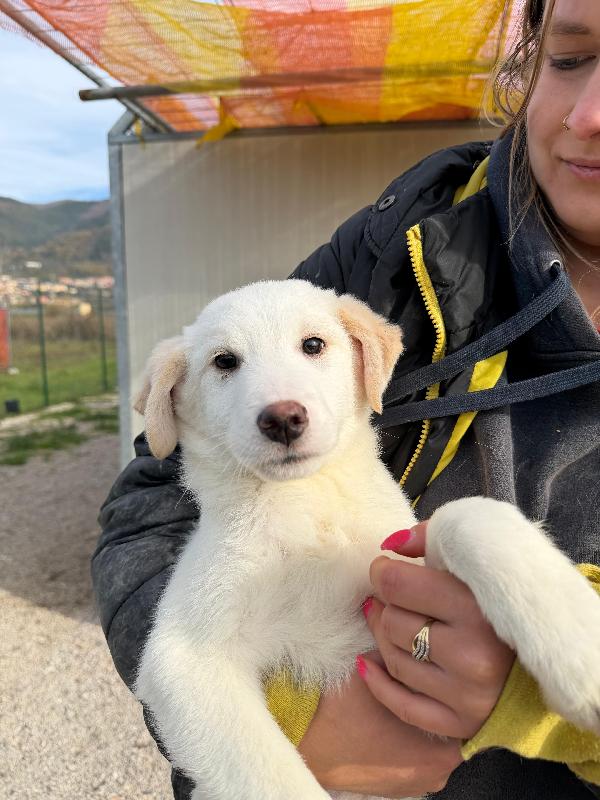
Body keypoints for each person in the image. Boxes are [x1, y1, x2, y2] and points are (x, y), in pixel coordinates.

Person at [92, 0, 600, 797]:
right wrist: (297, 730)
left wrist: (540, 705)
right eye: (570, 57)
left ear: (365, 357)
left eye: (312, 350)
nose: (280, 401)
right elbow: (179, 646)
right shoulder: (394, 252)